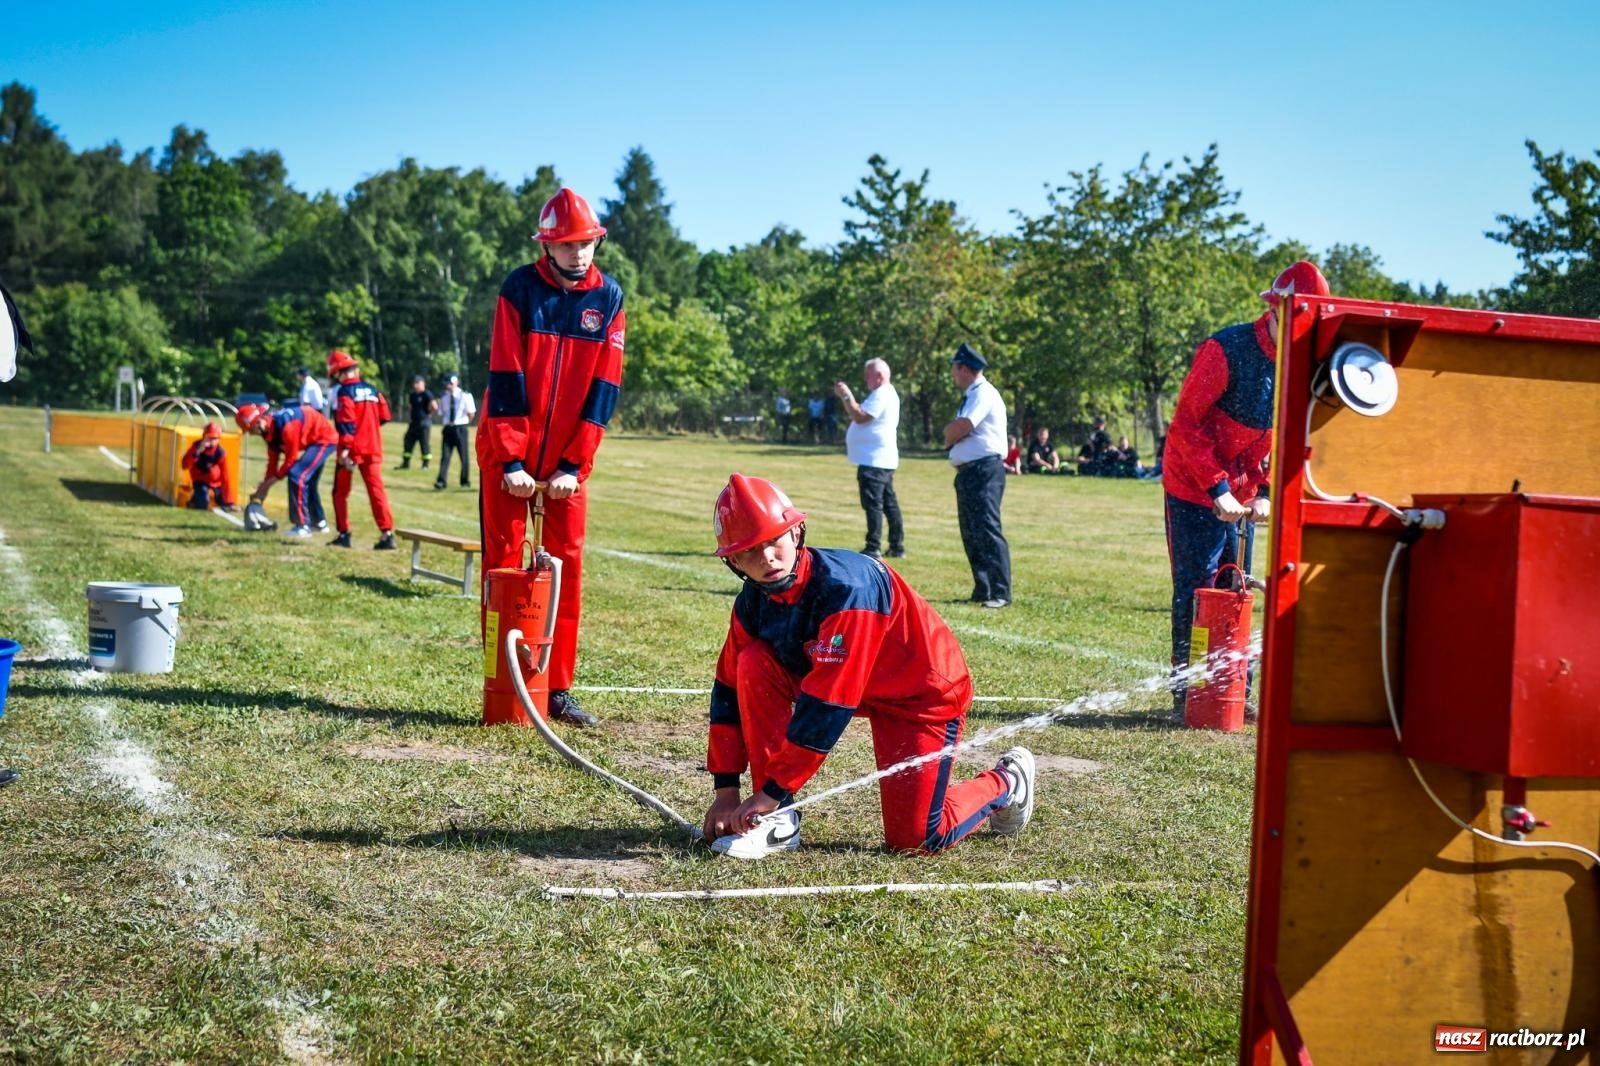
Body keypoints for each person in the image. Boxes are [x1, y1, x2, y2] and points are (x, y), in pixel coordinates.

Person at [701, 473, 1036, 859]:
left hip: (919, 696)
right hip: (855, 685)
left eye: (774, 540)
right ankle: (778, 823)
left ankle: (1007, 782)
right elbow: (727, 688)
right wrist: (726, 790)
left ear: (796, 533)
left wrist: (768, 793)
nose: (767, 558)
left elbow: (827, 707)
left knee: (915, 840)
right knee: (751, 662)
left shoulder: (848, 591)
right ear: (733, 561)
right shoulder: (752, 602)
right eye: (749, 551)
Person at [478, 187, 625, 729]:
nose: (578, 253)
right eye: (566, 244)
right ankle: (505, 681)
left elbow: (605, 389)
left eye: (585, 243)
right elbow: (506, 373)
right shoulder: (519, 289)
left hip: (566, 467)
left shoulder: (609, 298)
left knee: (567, 568)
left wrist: (574, 466)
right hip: (507, 457)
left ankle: (556, 687)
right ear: (546, 246)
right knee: (503, 565)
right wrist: (511, 460)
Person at [1163, 260, 1329, 716]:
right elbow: (1186, 426)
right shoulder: (1225, 349)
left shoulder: (1302, 364)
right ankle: (1188, 692)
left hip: (1243, 492)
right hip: (1193, 486)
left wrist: (1266, 494)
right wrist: (1217, 488)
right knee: (1197, 587)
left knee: (1235, 585)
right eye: (1295, 318)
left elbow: (1287, 438)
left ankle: (1235, 690)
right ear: (1275, 311)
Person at [943, 344, 1011, 608]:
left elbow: (962, 427)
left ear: (964, 368)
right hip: (971, 472)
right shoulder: (973, 394)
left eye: (954, 369)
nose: (953, 375)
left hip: (984, 471)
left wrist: (949, 433)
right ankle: (983, 588)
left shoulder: (982, 393)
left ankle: (1001, 591)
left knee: (987, 528)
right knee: (971, 531)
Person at [236, 400, 339, 537]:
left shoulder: (287, 426)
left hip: (324, 440)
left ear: (259, 421)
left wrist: (267, 485)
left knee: (297, 475)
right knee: (308, 482)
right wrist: (263, 488)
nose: (250, 433)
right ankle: (319, 523)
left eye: (250, 429)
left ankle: (302, 526)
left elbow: (290, 461)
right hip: (313, 441)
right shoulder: (269, 432)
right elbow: (272, 463)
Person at [326, 350, 396, 550]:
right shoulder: (373, 390)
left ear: (338, 372)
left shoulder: (344, 392)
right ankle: (387, 534)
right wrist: (369, 427)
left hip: (351, 450)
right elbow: (385, 415)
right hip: (372, 447)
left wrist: (346, 449)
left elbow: (346, 421)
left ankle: (344, 534)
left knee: (340, 492)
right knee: (376, 491)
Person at [835, 358, 904, 560]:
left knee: (873, 504)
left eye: (868, 375)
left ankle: (873, 546)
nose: (865, 379)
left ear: (879, 376)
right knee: (889, 503)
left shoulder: (882, 393)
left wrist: (846, 395)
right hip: (881, 459)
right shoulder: (884, 393)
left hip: (874, 460)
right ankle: (897, 545)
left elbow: (860, 416)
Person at [180, 421, 237, 512]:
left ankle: (222, 500)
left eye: (214, 438)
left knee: (223, 502)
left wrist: (229, 501)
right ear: (204, 437)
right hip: (200, 481)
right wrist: (198, 452)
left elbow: (225, 477)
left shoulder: (220, 453)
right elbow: (184, 465)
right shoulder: (196, 447)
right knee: (202, 503)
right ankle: (193, 501)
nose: (211, 441)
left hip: (216, 483)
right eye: (209, 438)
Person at [434, 373, 476, 490]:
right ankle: (441, 481)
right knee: (445, 456)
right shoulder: (444, 397)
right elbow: (441, 413)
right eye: (447, 384)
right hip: (448, 428)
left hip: (460, 427)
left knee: (463, 456)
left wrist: (463, 423)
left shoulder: (465, 395)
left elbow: (471, 413)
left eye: (451, 384)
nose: (449, 386)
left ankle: (464, 482)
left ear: (456, 383)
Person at [398, 376, 437, 469]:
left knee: (424, 443)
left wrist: (428, 413)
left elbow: (434, 406)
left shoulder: (427, 394)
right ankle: (406, 463)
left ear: (423, 383)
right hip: (414, 422)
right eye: (415, 383)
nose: (415, 385)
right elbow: (411, 407)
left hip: (424, 423)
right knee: (408, 440)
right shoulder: (412, 395)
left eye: (418, 383)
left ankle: (425, 464)